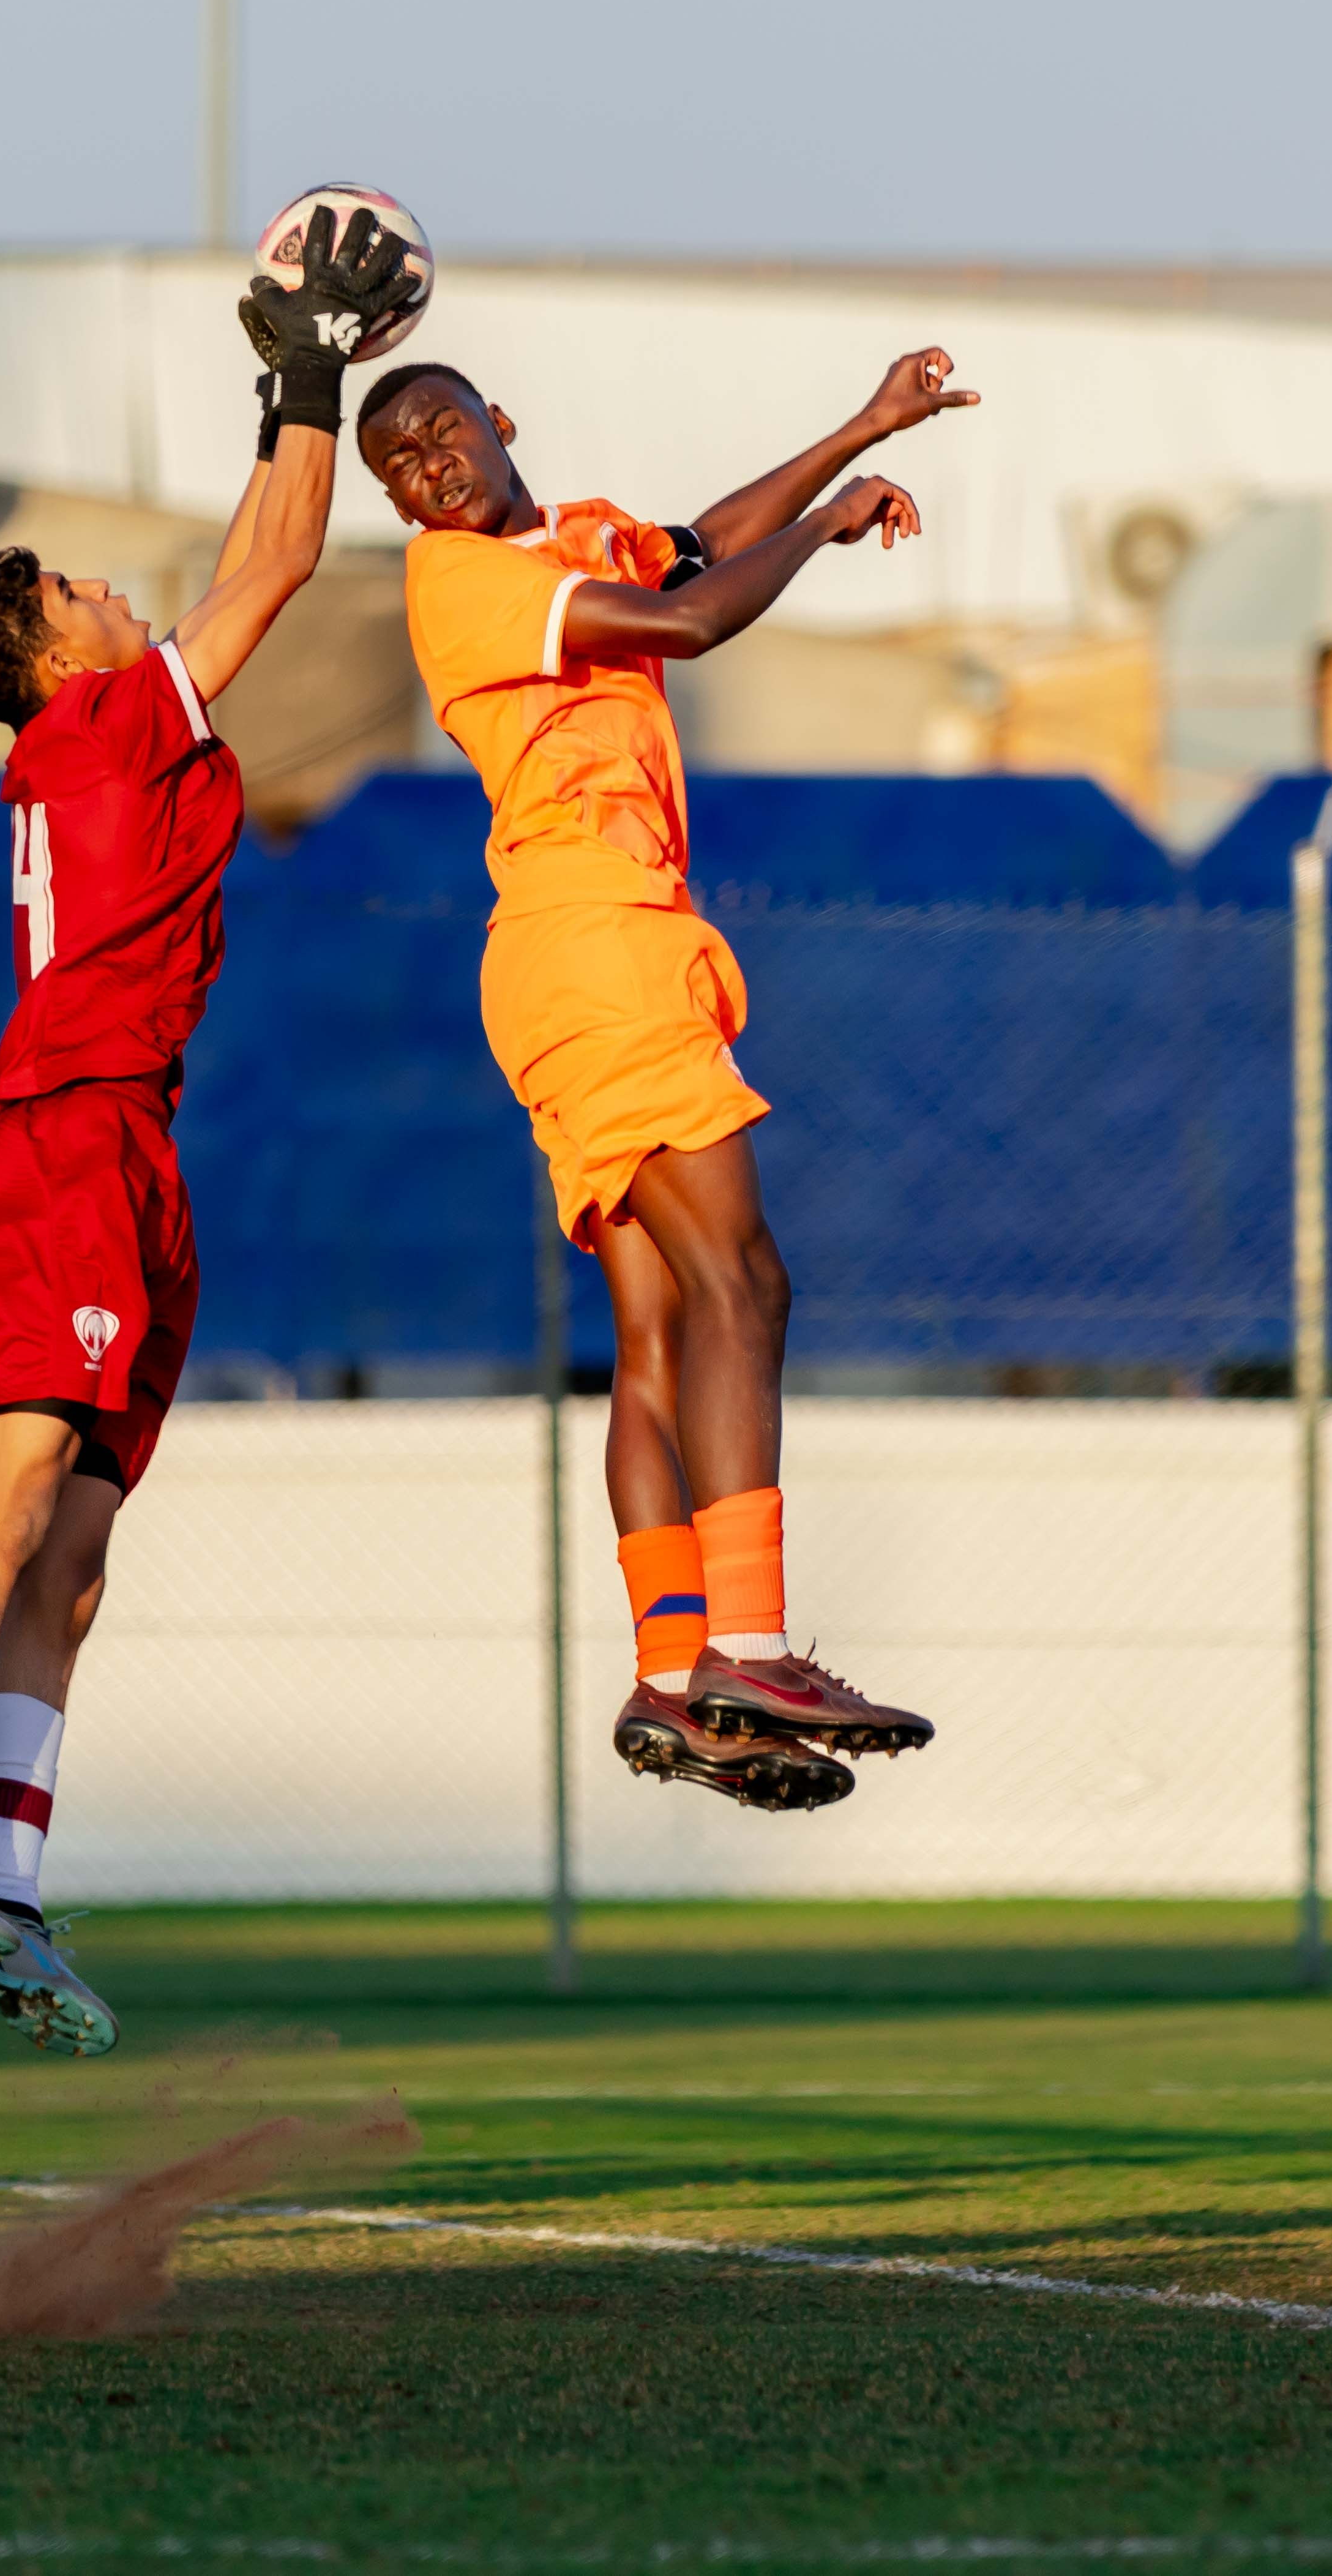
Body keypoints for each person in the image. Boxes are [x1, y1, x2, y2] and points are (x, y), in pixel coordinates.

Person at [0, 199, 417, 2057]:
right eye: (88, 588)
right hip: (68, 1139)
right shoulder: (96, 732)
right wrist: (314, 368)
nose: (119, 595)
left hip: (122, 1144)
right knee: (16, 1499)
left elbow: (249, 556)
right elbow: (276, 564)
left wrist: (279, 386)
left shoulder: (102, 737)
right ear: (56, 650)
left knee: (76, 1552)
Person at [356, 346, 965, 1807]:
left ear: (499, 423)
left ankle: (673, 1675)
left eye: (440, 433)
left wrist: (857, 429)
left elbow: (697, 548)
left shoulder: (566, 543)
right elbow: (692, 619)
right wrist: (827, 532)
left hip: (575, 960)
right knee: (743, 1287)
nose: (428, 468)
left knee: (654, 1335)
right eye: (398, 470)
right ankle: (748, 1650)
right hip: (599, 945)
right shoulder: (458, 582)